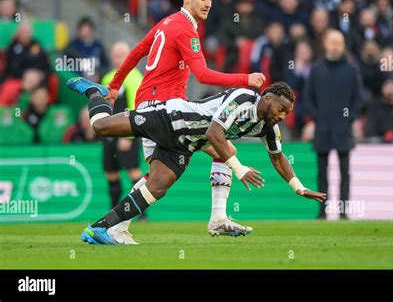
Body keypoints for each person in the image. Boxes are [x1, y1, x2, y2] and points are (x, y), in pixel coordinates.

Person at [100, 0, 266, 243]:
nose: (208, 3)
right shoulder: (185, 29)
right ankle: (218, 218)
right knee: (223, 148)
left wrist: (115, 85)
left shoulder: (166, 23)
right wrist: (245, 79)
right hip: (168, 110)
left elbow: (137, 51)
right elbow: (202, 74)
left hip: (150, 106)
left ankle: (116, 227)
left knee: (157, 178)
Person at [67, 78, 326, 244]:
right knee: (101, 127)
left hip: (186, 144)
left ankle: (99, 228)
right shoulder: (243, 98)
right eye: (281, 109)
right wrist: (239, 169)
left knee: (157, 187)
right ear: (267, 100)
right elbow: (215, 133)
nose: (282, 116)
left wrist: (298, 187)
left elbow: (278, 158)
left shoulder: (268, 127)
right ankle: (93, 91)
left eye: (287, 113)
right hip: (169, 118)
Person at [303, 29, 362, 220]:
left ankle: (343, 212)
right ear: (325, 44)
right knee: (322, 173)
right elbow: (307, 98)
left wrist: (349, 118)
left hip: (343, 129)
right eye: (332, 42)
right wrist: (317, 118)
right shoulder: (317, 69)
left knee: (345, 173)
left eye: (339, 42)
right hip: (323, 129)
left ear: (343, 45)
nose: (335, 46)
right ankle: (322, 212)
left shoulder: (351, 70)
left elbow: (358, 99)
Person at [101, 42, 143, 211]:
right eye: (116, 55)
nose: (119, 59)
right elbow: (104, 106)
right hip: (110, 133)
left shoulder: (134, 77)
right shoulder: (107, 78)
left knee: (133, 170)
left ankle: (141, 213)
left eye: (122, 55)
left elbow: (136, 106)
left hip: (127, 132)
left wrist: (128, 136)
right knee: (111, 172)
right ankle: (113, 212)